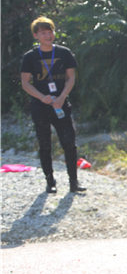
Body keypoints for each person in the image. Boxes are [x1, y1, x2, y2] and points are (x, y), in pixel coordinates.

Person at [20, 16, 85, 193]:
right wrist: (42, 97)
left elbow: (71, 77)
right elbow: (25, 83)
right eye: (43, 33)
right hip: (40, 105)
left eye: (50, 32)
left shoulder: (64, 53)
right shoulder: (30, 56)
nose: (48, 36)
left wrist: (62, 96)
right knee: (45, 144)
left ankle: (74, 181)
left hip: (61, 103)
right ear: (36, 35)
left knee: (69, 142)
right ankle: (50, 181)